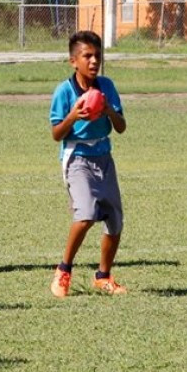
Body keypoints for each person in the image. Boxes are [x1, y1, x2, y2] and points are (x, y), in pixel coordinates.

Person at [48, 31, 128, 298]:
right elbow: (57, 134)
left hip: (104, 157)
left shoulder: (107, 86)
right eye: (87, 56)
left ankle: (103, 277)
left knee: (114, 219)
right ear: (74, 61)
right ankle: (63, 270)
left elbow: (121, 127)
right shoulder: (64, 91)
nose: (94, 61)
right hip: (77, 157)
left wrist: (107, 110)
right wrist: (73, 116)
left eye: (98, 56)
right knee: (85, 214)